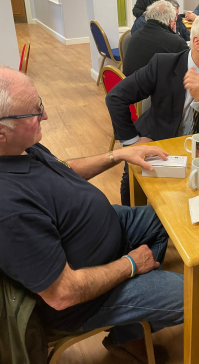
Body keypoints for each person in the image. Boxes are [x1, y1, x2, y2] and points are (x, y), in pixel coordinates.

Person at [0, 67, 184, 360]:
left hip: (107, 233)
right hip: (82, 300)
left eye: (40, 104)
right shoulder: (8, 209)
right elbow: (62, 295)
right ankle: (126, 334)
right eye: (34, 112)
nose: (45, 116)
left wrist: (118, 154)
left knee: (168, 218)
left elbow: (62, 168)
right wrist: (129, 265)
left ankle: (137, 307)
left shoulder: (17, 147)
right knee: (189, 297)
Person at [106, 12, 199, 205]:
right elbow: (116, 97)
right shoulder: (163, 64)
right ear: (197, 42)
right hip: (158, 142)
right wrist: (131, 142)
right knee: (133, 192)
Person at [123, 0, 188, 77]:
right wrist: (174, 35)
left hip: (130, 85)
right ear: (171, 22)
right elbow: (188, 67)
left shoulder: (136, 35)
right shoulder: (175, 42)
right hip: (152, 87)